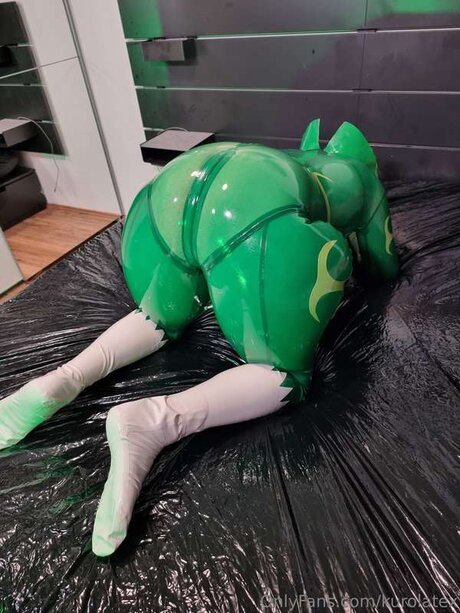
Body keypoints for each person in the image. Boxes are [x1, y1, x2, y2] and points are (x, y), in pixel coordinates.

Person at [0, 120, 398, 556]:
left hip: (167, 194)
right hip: (251, 218)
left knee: (156, 315)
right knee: (284, 373)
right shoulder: (363, 180)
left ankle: (64, 378)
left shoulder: (286, 156)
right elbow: (383, 264)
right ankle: (156, 420)